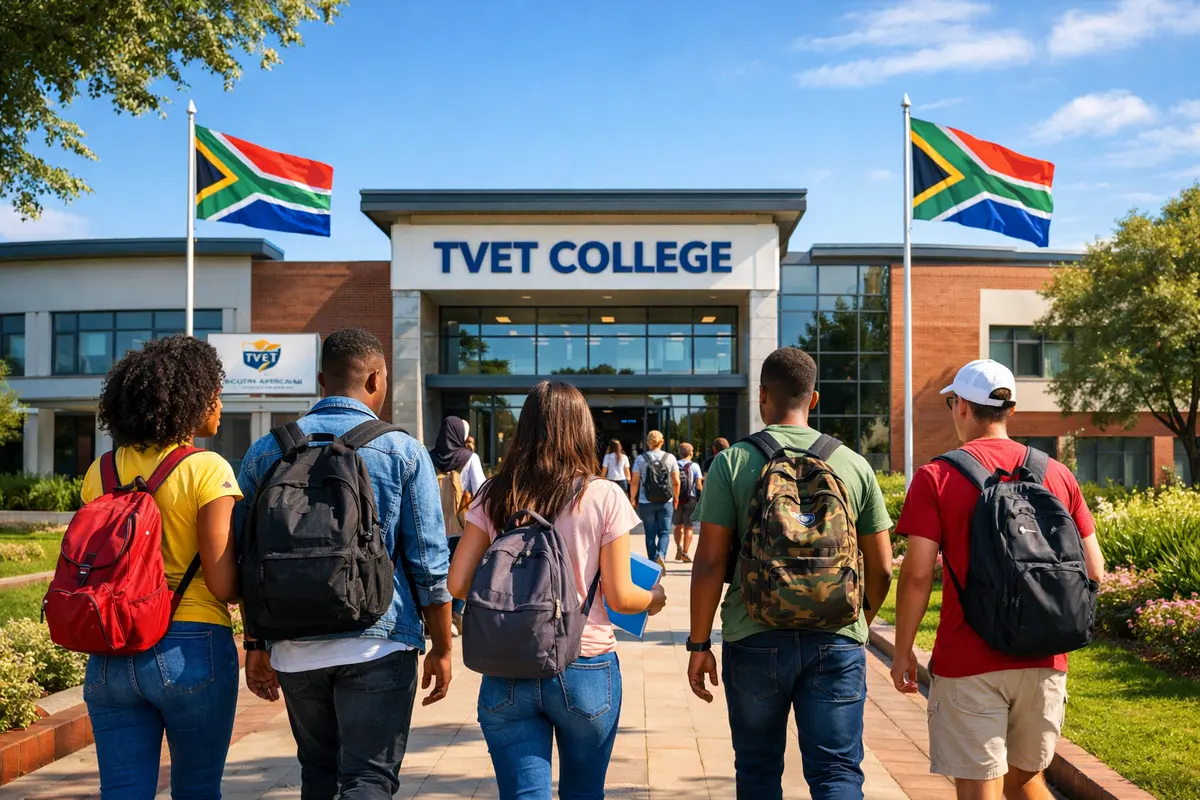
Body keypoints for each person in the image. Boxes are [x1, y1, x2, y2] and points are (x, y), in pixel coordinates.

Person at [236, 328, 453, 799]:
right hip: (378, 641)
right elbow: (429, 564)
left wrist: (257, 644)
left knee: (317, 773)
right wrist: (441, 645)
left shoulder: (265, 451)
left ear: (320, 380)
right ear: (376, 378)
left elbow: (246, 557)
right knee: (368, 778)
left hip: (293, 645)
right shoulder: (402, 450)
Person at [890, 360, 1105, 800]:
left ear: (964, 407)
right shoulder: (1056, 473)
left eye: (953, 402)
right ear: (1008, 409)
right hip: (1044, 658)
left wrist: (903, 650)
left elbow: (916, 576)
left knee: (978, 788)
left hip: (969, 659)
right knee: (1026, 782)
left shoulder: (938, 476)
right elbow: (1094, 569)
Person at [688, 347, 894, 800]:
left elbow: (707, 563)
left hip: (753, 633)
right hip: (837, 639)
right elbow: (881, 566)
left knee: (758, 771)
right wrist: (855, 619)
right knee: (837, 772)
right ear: (814, 399)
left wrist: (699, 644)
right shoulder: (853, 465)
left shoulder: (734, 462)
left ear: (762, 395)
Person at [448, 380, 667, 799]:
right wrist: (654, 599)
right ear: (583, 430)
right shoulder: (602, 495)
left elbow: (457, 583)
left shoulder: (496, 494)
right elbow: (621, 597)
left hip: (507, 663)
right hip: (585, 665)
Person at [80, 335, 243, 798]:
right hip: (191, 645)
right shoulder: (207, 469)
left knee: (123, 790)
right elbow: (222, 582)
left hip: (111, 649)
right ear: (190, 399)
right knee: (196, 788)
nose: (219, 402)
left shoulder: (102, 470)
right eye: (214, 391)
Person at [430, 416, 486, 636]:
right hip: (461, 525)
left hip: (434, 526)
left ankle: (436, 614)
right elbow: (481, 490)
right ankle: (455, 613)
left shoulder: (428, 456)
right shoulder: (469, 458)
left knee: (437, 571)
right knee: (462, 569)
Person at [629, 430, 680, 568]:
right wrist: (676, 497)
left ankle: (653, 562)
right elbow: (676, 481)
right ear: (662, 442)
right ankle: (661, 555)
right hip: (666, 501)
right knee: (664, 531)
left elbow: (634, 481)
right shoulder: (670, 458)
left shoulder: (641, 459)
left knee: (650, 533)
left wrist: (632, 498)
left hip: (646, 501)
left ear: (648, 442)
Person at [672, 442, 703, 562]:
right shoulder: (695, 466)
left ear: (679, 453)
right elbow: (699, 486)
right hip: (690, 498)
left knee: (677, 525)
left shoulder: (674, 464)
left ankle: (678, 547)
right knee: (688, 527)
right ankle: (685, 552)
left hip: (676, 498)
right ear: (691, 453)